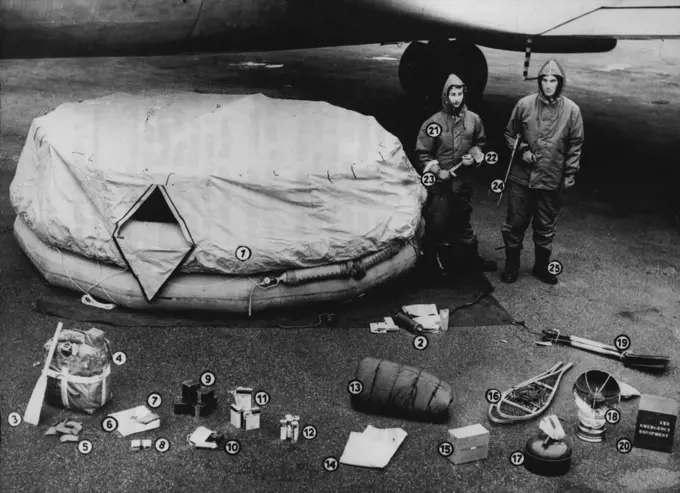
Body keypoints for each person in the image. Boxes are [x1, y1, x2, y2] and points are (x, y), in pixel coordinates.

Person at [500, 58, 584, 284]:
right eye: (544, 80)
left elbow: (575, 144)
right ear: (539, 82)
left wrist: (570, 174)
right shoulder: (524, 105)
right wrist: (522, 150)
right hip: (522, 177)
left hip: (551, 177)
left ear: (560, 83)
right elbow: (510, 134)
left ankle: (541, 267)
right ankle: (511, 266)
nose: (548, 85)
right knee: (515, 223)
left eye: (553, 81)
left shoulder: (572, 111)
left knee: (545, 226)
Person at [414, 73, 497, 276]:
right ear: (446, 95)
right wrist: (436, 170)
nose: (456, 98)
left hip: (462, 182)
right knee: (437, 222)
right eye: (452, 94)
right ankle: (429, 264)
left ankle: (471, 260)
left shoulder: (474, 120)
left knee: (463, 221)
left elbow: (481, 143)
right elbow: (422, 152)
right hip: (440, 185)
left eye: (459, 93)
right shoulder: (433, 123)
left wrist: (474, 156)